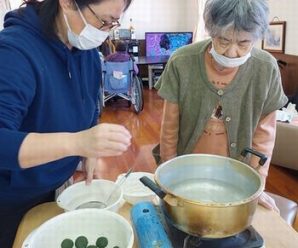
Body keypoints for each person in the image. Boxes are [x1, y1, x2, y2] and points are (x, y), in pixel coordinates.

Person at [0, 0, 133, 247]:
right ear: (67, 3)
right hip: (11, 200)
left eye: (113, 23)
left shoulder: (88, 54)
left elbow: (89, 108)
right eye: (102, 21)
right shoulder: (14, 52)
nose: (105, 32)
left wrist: (88, 149)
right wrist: (77, 143)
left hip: (54, 190)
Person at [155, 0, 288, 213]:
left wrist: (258, 185)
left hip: (237, 173)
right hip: (187, 167)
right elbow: (169, 128)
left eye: (244, 43)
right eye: (223, 40)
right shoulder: (182, 61)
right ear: (211, 31)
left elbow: (265, 136)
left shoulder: (266, 68)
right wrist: (169, 175)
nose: (232, 52)